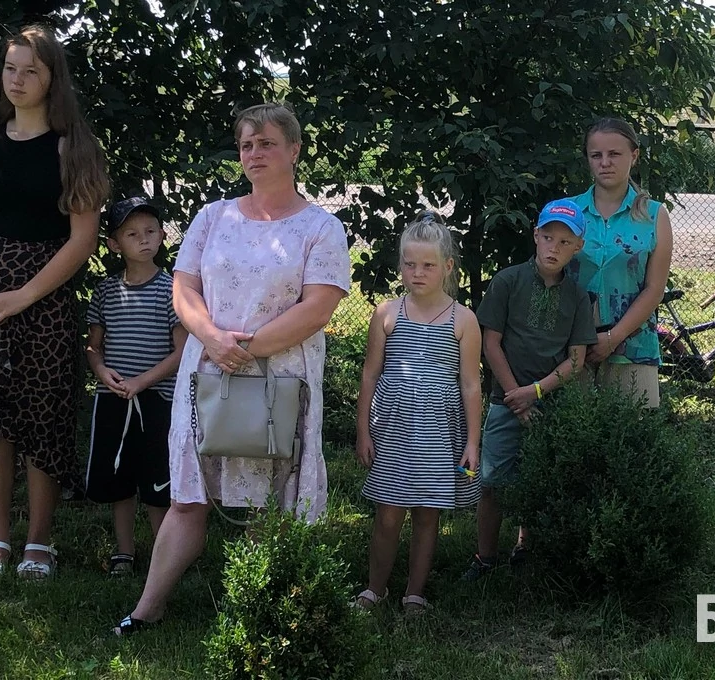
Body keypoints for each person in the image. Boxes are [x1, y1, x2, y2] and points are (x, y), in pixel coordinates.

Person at [113, 103, 350, 635]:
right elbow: (183, 288)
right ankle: (147, 609)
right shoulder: (212, 217)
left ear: (294, 149)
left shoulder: (321, 227)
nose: (254, 153)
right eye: (246, 145)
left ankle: (258, 615)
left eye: (266, 143)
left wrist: (247, 349)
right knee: (187, 499)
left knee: (266, 504)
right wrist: (212, 339)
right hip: (208, 375)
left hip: (279, 380)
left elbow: (319, 306)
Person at [0, 25, 109, 583]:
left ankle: (39, 544)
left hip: (44, 300)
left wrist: (25, 295)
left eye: (31, 71)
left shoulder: (76, 147)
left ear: (52, 79)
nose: (17, 80)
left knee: (46, 415)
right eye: (10, 68)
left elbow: (82, 240)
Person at [354, 211, 482, 613]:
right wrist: (363, 431)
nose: (418, 273)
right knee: (388, 515)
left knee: (428, 515)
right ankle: (375, 589)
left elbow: (470, 385)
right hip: (393, 431)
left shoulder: (464, 320)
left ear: (448, 266)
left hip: (438, 436)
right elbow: (370, 375)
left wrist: (473, 442)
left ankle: (415, 593)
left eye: (428, 265)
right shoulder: (386, 313)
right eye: (409, 264)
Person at [462, 199, 597, 582]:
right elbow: (490, 345)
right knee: (492, 482)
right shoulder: (508, 281)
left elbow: (576, 359)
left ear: (578, 247)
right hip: (505, 402)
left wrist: (535, 392)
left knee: (540, 475)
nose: (554, 247)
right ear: (536, 236)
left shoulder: (577, 296)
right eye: (548, 237)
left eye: (565, 242)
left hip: (551, 403)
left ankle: (525, 546)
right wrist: (516, 398)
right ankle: (485, 557)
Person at [85, 197, 187, 577]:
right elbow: (94, 347)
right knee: (120, 480)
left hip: (158, 400)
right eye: (131, 234)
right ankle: (124, 552)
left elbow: (182, 352)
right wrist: (101, 371)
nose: (143, 239)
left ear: (162, 236)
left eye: (150, 231)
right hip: (113, 400)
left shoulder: (173, 290)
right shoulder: (105, 292)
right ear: (114, 244)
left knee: (158, 480)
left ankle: (164, 556)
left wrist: (142, 382)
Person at [568, 118, 673, 408]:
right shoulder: (568, 212)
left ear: (634, 155)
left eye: (614, 154)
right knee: (572, 429)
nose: (605, 163)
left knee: (631, 432)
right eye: (596, 155)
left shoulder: (654, 216)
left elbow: (654, 289)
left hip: (633, 347)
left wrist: (614, 337)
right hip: (572, 348)